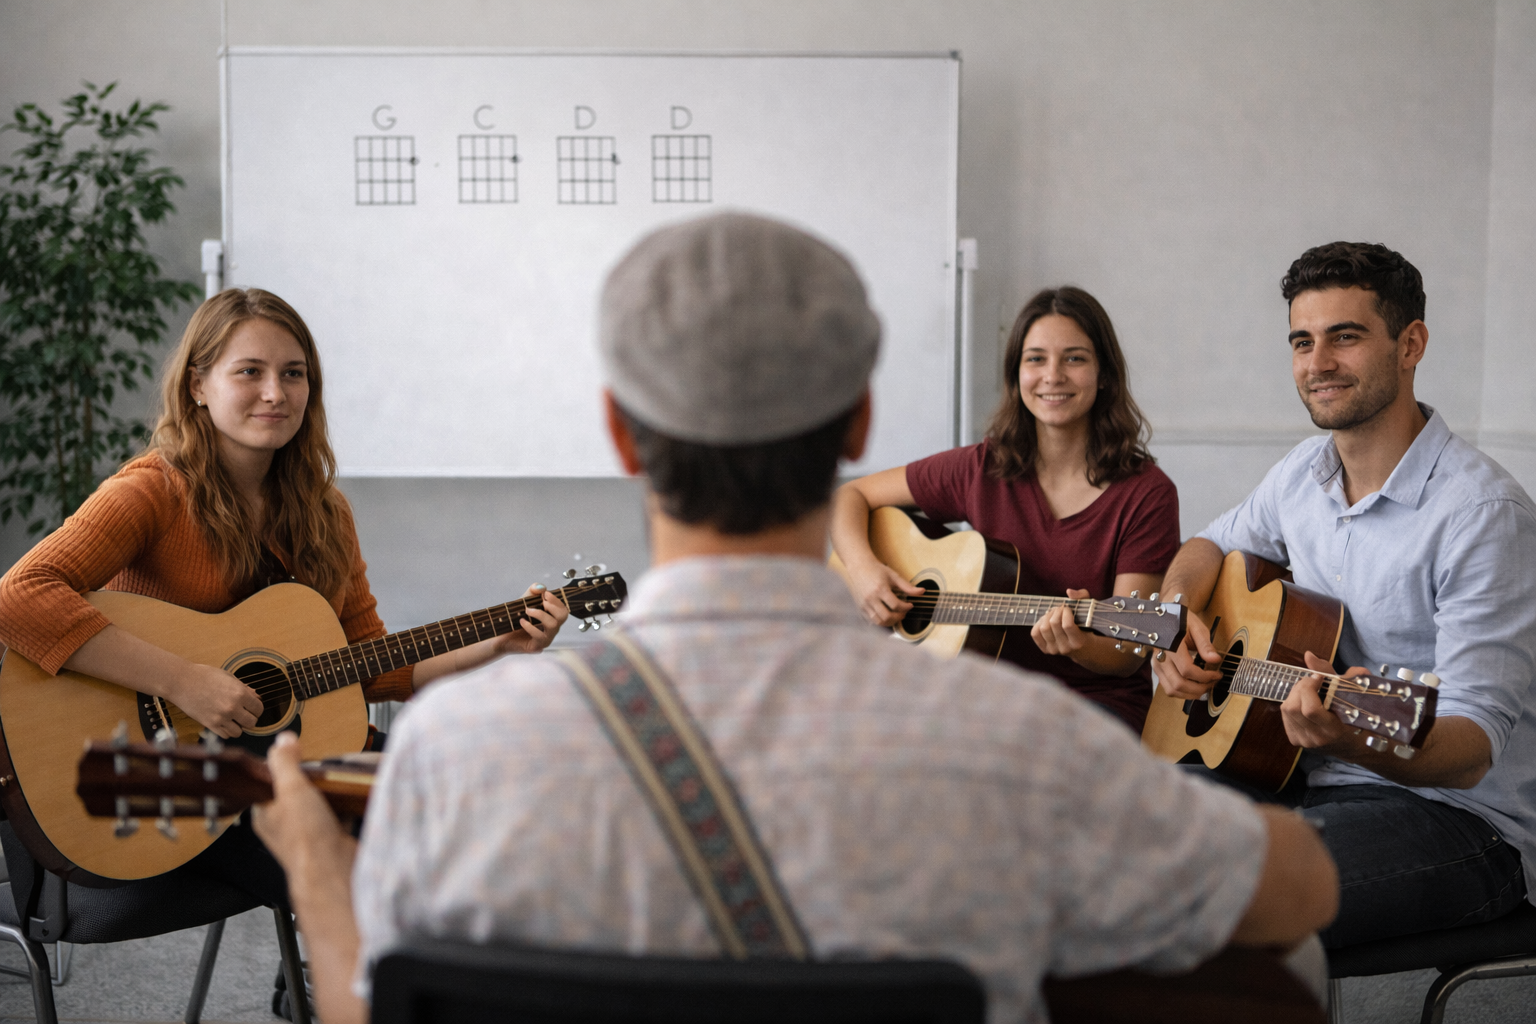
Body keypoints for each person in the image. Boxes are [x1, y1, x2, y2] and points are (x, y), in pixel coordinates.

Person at [252, 212, 1335, 1024]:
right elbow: (1303, 888)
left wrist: (312, 867)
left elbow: (368, 1007)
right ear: (858, 420)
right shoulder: (1028, 742)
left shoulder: (453, 749)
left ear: (621, 437)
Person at [0, 287, 569, 910]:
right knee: (393, 874)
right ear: (198, 385)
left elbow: (368, 666)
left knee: (481, 815)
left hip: (276, 766)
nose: (276, 392)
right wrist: (185, 682)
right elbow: (20, 595)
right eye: (250, 371)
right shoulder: (150, 493)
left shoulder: (325, 513)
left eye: (294, 374)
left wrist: (496, 642)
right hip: (158, 780)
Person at [1153, 241, 1536, 949]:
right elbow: (1207, 545)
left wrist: (1352, 734)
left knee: (1204, 906)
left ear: (1410, 343)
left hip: (1462, 819)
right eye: (1302, 341)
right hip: (1305, 771)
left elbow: (1471, 748)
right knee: (1111, 836)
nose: (1317, 363)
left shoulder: (1483, 516)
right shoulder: (1303, 472)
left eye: (1345, 337)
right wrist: (1177, 616)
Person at [830, 287, 1178, 731]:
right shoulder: (981, 468)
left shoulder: (1147, 493)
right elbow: (850, 496)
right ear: (1016, 374)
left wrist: (1077, 644)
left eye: (1074, 358)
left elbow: (1124, 655)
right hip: (981, 696)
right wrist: (863, 573)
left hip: (1093, 707)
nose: (1053, 375)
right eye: (1035, 359)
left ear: (1104, 374)